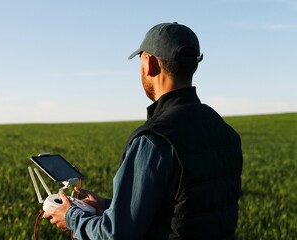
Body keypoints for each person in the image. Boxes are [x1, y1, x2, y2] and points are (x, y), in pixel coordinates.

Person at [43, 22, 243, 239]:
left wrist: (72, 217)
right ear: (193, 65)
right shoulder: (226, 133)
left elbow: (115, 235)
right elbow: (184, 209)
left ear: (149, 63)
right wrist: (108, 206)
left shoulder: (154, 141)